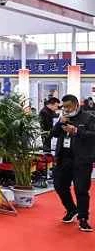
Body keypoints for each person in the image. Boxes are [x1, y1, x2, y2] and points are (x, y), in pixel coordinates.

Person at [51, 94, 95, 232]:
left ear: (76, 105)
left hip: (81, 159)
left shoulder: (88, 117)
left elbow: (92, 135)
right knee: (59, 185)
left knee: (81, 189)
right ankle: (71, 209)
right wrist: (60, 123)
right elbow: (54, 134)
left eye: (69, 106)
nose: (66, 109)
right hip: (63, 158)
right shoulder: (63, 117)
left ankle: (83, 218)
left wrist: (76, 131)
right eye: (64, 107)